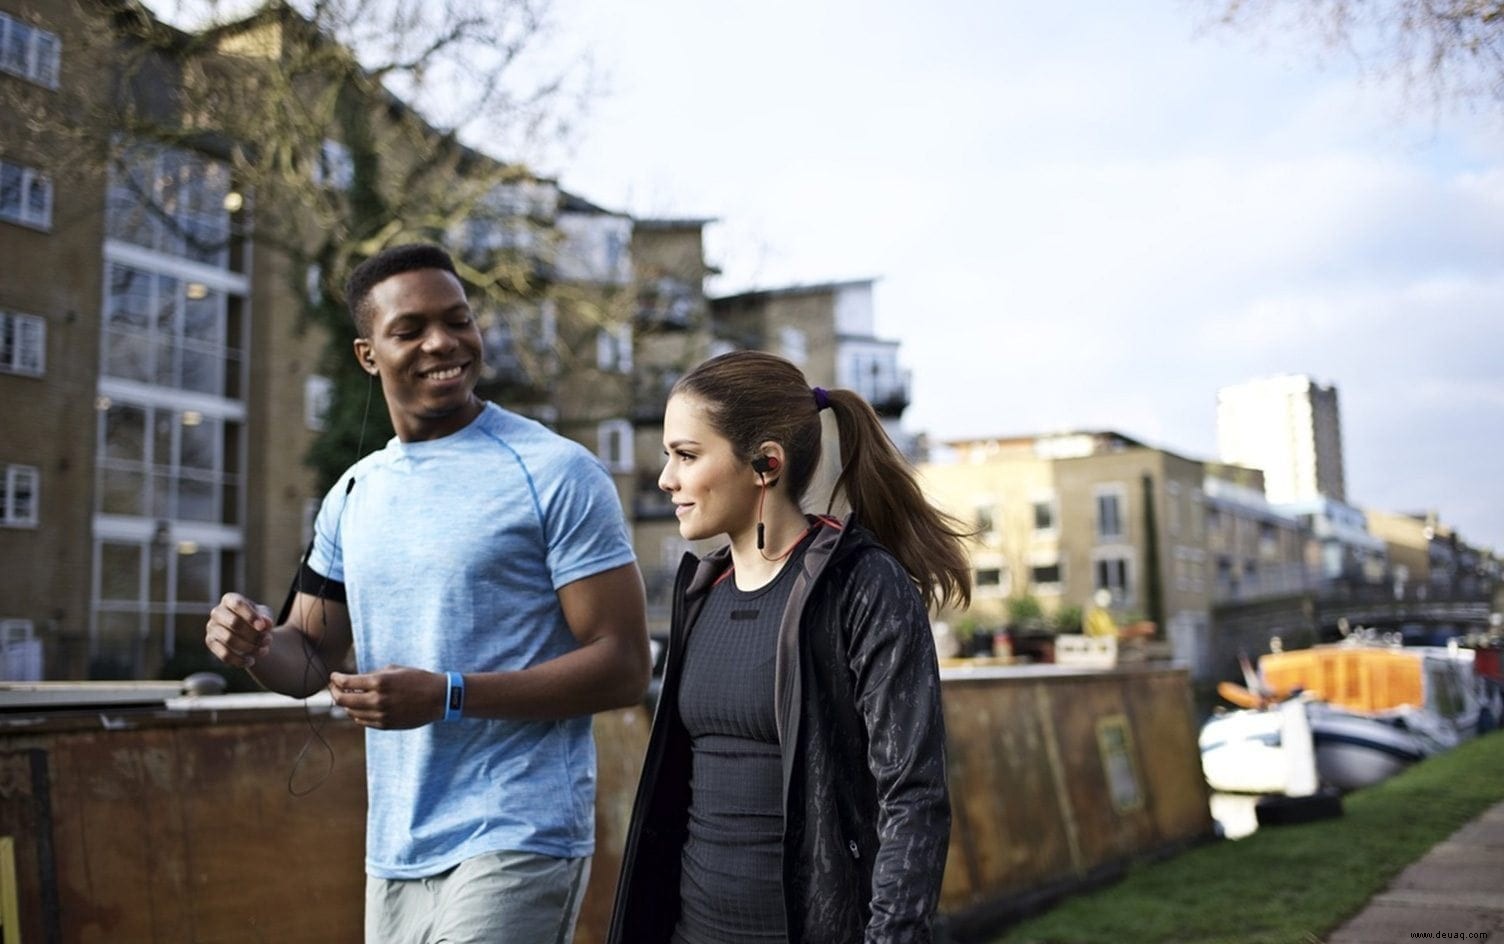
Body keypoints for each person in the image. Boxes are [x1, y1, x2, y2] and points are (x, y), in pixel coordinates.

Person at [204, 243, 650, 944]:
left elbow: (626, 664)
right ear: (367, 355)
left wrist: (448, 694)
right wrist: (254, 644)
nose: (443, 342)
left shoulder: (556, 472)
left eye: (458, 320)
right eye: (410, 330)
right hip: (397, 847)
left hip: (519, 833)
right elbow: (309, 657)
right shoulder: (354, 495)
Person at [608, 350, 970, 944]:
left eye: (687, 455)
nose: (666, 478)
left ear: (765, 464)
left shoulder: (861, 585)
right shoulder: (700, 588)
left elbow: (913, 796)